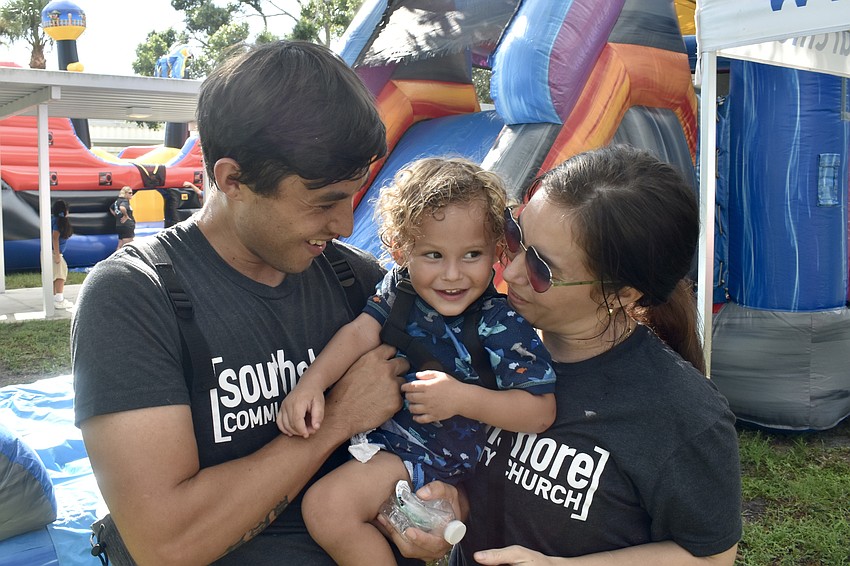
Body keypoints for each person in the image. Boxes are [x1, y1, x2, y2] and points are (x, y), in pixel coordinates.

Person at [72, 40, 412, 565]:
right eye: (323, 202)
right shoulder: (136, 296)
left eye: (353, 196)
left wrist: (440, 505)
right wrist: (339, 417)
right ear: (233, 179)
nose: (346, 224)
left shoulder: (359, 282)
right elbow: (167, 544)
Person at [387, 145, 743, 565]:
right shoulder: (480, 341)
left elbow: (709, 556)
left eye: (541, 269)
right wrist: (453, 504)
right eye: (515, 237)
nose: (512, 270)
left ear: (622, 294)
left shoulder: (681, 414)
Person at [277, 157, 557, 565]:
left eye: (472, 254)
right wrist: (311, 384)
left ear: (497, 250)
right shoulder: (400, 289)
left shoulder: (499, 324)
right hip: (384, 443)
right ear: (400, 250)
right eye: (432, 255)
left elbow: (540, 411)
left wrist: (461, 399)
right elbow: (359, 333)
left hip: (431, 458)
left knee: (327, 507)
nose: (452, 275)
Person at [50, 199, 74, 310]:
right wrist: (57, 254)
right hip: (55, 252)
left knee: (55, 275)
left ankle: (55, 298)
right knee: (60, 275)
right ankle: (59, 299)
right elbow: (55, 237)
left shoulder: (54, 220)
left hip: (53, 252)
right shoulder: (58, 221)